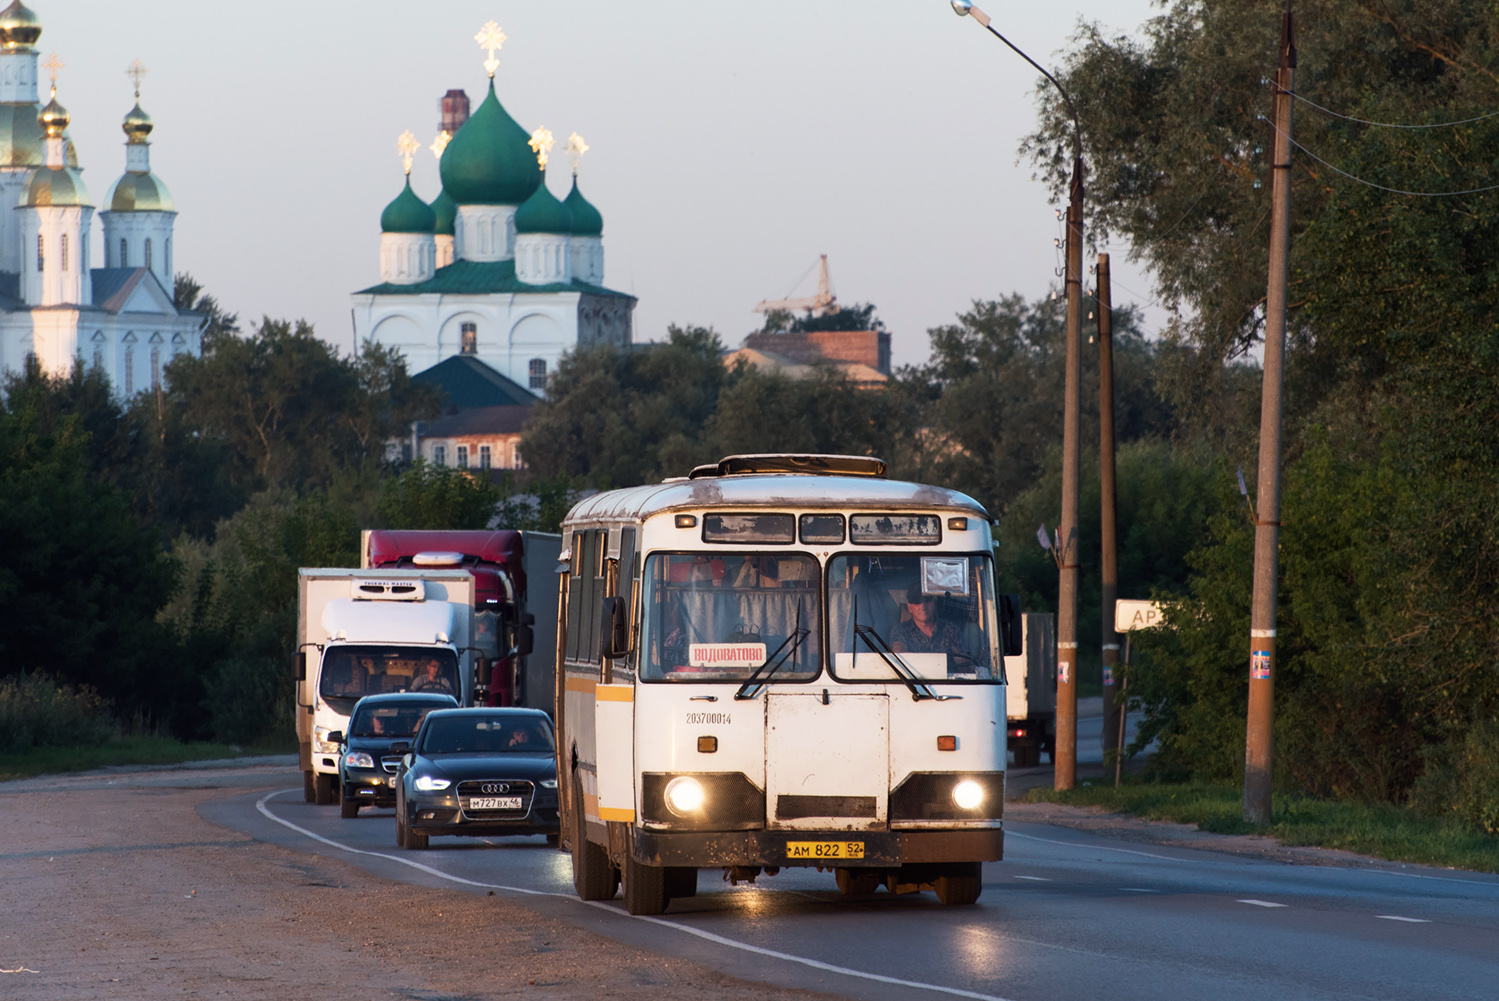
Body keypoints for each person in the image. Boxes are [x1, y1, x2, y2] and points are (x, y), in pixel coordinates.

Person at [891, 587, 981, 671]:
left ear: (934, 603)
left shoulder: (950, 629)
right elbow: (899, 653)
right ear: (910, 607)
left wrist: (967, 664)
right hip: (912, 682)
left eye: (927, 600)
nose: (923, 606)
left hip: (948, 684)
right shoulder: (901, 629)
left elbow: (963, 664)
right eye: (917, 602)